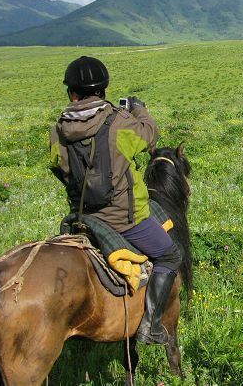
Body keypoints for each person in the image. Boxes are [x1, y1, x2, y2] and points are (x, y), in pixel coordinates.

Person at [49, 56, 180, 345]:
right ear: (104, 90)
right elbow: (149, 137)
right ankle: (150, 325)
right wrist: (140, 110)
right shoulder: (121, 123)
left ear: (72, 93)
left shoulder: (57, 131)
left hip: (82, 218)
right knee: (171, 255)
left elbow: (58, 168)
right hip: (125, 220)